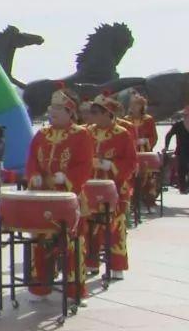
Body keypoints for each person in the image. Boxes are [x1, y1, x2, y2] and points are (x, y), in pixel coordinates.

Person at [25, 84, 94, 303]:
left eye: (58, 109)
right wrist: (34, 174)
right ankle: (40, 287)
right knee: (40, 241)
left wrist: (67, 178)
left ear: (70, 112)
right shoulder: (41, 134)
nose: (52, 112)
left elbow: (85, 165)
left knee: (73, 243)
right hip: (44, 198)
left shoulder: (81, 135)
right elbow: (32, 160)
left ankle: (75, 290)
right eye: (51, 108)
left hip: (69, 199)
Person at [84, 92, 137, 281]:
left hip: (116, 187)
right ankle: (91, 262)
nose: (93, 115)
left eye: (96, 111)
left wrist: (111, 165)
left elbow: (131, 162)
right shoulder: (88, 132)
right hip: (90, 187)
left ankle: (117, 265)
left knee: (116, 226)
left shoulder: (122, 134)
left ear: (107, 114)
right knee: (89, 225)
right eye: (92, 111)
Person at [127, 91, 160, 205]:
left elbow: (154, 136)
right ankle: (132, 196)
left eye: (136, 104)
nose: (134, 107)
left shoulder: (148, 119)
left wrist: (146, 141)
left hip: (145, 151)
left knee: (148, 173)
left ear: (142, 106)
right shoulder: (126, 120)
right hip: (131, 151)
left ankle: (149, 196)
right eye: (132, 104)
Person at [164, 105, 189, 194]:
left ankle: (185, 186)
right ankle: (183, 188)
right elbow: (169, 135)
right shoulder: (178, 125)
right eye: (186, 115)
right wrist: (166, 146)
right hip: (181, 150)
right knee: (182, 169)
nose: (186, 117)